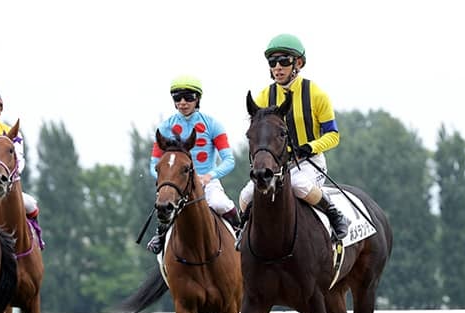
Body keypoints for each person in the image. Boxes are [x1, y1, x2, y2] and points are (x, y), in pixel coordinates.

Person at [237, 33, 349, 247]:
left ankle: (335, 214)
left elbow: (333, 135)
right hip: (277, 164)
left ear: (298, 63)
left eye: (284, 61)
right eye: (273, 62)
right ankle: (242, 227)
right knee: (246, 194)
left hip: (309, 162)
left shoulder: (316, 94)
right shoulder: (263, 97)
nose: (278, 67)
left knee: (298, 184)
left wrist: (310, 147)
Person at [147, 75, 240, 254]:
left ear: (197, 99)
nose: (182, 102)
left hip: (207, 182)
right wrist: (167, 181)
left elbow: (229, 160)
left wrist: (209, 176)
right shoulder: (164, 127)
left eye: (188, 97)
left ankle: (239, 231)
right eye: (177, 98)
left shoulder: (212, 124)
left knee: (220, 204)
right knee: (164, 206)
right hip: (178, 185)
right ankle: (161, 236)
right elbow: (153, 164)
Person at [0, 88, 45, 249]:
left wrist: (5, 177)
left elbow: (19, 161)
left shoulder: (10, 132)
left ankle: (36, 240)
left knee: (30, 204)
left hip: (6, 184)